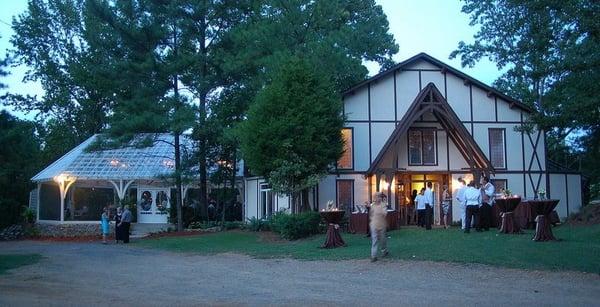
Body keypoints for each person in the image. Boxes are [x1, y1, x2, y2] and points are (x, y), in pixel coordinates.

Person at [369, 192, 389, 262]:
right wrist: (372, 220)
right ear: (375, 198)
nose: (378, 198)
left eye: (379, 197)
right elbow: (371, 214)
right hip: (374, 225)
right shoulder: (373, 206)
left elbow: (385, 213)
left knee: (383, 240)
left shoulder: (383, 205)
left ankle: (384, 251)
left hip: (382, 225)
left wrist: (383, 212)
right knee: (374, 241)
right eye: (377, 197)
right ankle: (373, 256)